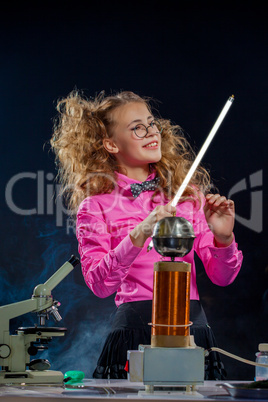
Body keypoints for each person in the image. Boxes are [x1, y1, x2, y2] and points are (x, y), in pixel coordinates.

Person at [51, 89, 243, 380]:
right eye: (137, 128)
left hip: (191, 327)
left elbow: (223, 277)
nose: (151, 132)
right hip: (134, 331)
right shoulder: (95, 206)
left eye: (152, 124)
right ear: (111, 144)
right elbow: (100, 285)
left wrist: (223, 238)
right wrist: (139, 233)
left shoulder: (190, 197)